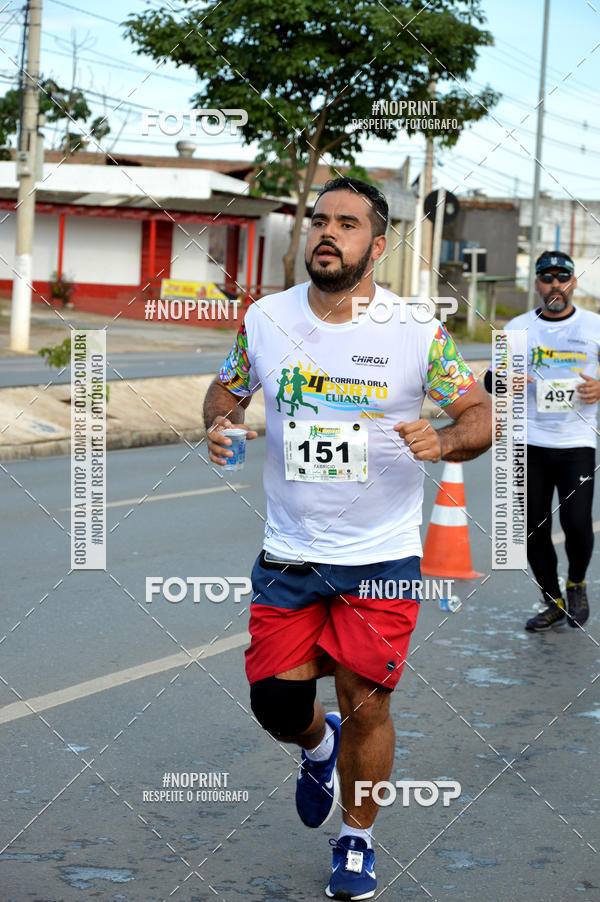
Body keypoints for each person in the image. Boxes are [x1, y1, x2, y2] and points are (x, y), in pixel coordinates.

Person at [203, 177, 491, 900]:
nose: (328, 233)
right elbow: (228, 387)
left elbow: (480, 412)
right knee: (275, 705)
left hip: (380, 560)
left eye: (348, 224)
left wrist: (447, 438)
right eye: (319, 221)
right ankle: (317, 745)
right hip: (290, 553)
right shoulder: (266, 318)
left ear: (378, 245)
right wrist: (218, 420)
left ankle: (356, 841)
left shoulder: (417, 332)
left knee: (370, 702)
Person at [484, 250, 600, 632]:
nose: (555, 285)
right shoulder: (518, 327)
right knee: (533, 529)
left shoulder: (593, 326)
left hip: (576, 441)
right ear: (537, 283)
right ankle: (552, 601)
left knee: (578, 524)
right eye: (547, 278)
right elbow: (489, 381)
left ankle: (577, 582)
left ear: (573, 283)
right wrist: (508, 381)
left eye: (562, 278)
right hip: (528, 441)